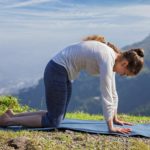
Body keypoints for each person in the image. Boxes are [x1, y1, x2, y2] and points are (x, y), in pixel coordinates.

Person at [0, 35, 144, 134]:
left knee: (56, 116)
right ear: (125, 63)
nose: (121, 75)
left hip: (61, 72)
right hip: (57, 71)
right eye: (125, 73)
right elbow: (106, 94)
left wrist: (115, 118)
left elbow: (113, 92)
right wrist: (110, 127)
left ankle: (12, 115)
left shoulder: (112, 58)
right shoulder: (108, 58)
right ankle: (8, 121)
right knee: (53, 121)